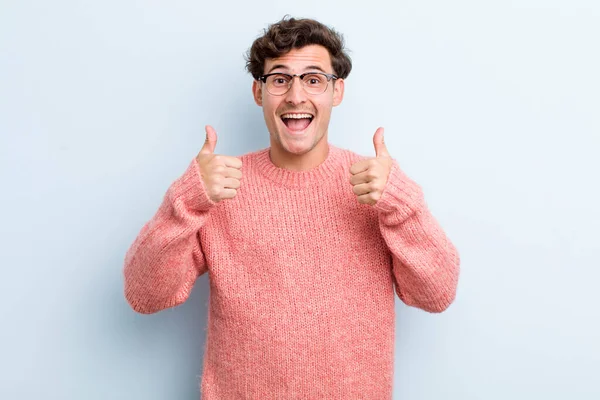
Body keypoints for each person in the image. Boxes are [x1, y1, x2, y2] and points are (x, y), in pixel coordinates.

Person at [123, 16, 460, 400]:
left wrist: (402, 205)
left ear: (337, 92)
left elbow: (436, 294)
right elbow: (144, 295)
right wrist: (183, 200)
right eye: (280, 79)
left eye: (313, 79)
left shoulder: (374, 187)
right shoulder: (219, 187)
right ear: (258, 92)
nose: (296, 96)